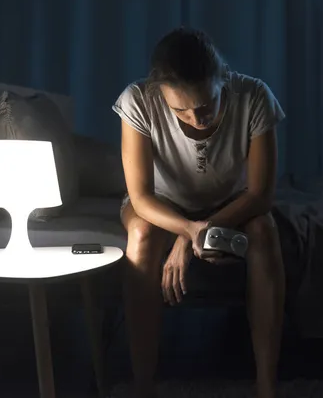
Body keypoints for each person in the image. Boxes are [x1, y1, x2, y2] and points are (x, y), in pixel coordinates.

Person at [112, 27, 286, 398]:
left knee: (265, 231)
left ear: (222, 80)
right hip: (161, 204)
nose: (196, 119)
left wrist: (195, 232)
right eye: (180, 111)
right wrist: (188, 232)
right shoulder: (138, 100)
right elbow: (140, 197)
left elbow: (260, 195)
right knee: (140, 235)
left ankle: (267, 386)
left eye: (206, 106)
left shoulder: (253, 96)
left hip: (232, 202)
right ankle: (144, 386)